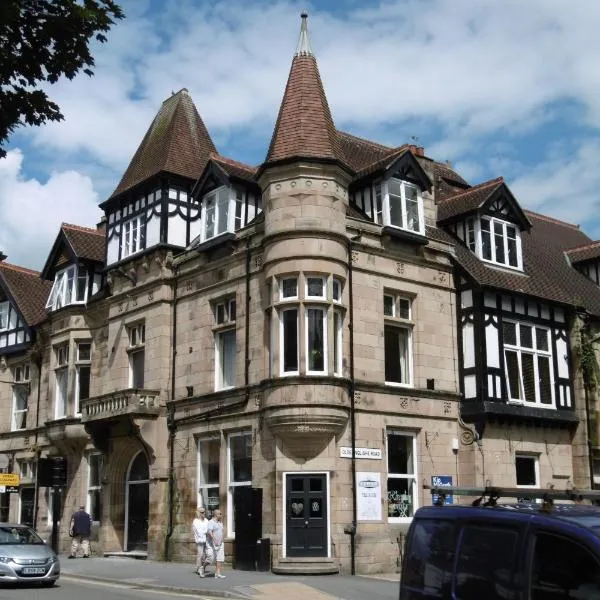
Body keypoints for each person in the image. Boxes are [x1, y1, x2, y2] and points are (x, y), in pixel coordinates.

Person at [206, 509, 225, 578]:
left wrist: (222, 539)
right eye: (220, 514)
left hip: (220, 543)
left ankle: (218, 573)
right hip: (213, 543)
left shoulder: (220, 523)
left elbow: (222, 531)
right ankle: (203, 567)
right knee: (211, 558)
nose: (221, 515)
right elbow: (210, 532)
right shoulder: (211, 522)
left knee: (219, 558)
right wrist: (214, 540)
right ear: (216, 515)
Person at [191, 507, 209, 577]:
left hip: (206, 540)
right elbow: (199, 531)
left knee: (205, 555)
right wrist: (205, 531)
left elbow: (208, 529)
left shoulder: (206, 520)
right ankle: (199, 568)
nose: (203, 513)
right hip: (199, 540)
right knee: (200, 554)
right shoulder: (196, 521)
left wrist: (206, 531)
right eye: (202, 512)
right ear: (198, 513)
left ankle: (202, 568)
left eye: (204, 512)